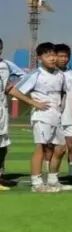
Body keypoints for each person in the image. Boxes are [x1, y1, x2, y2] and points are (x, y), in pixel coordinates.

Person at [12, 42, 72, 193]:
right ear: (40, 58)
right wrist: (33, 103)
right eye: (47, 55)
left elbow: (63, 93)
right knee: (41, 147)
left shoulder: (60, 75)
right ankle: (37, 183)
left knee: (61, 148)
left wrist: (61, 107)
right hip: (41, 116)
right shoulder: (35, 74)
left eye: (53, 55)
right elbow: (14, 91)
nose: (52, 58)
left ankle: (53, 181)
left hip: (56, 116)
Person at [51, 43, 72, 182]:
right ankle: (51, 175)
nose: (64, 59)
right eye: (61, 56)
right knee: (52, 148)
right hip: (53, 116)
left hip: (69, 116)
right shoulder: (50, 73)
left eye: (66, 56)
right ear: (55, 56)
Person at [0, 37, 28, 188]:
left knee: (3, 145)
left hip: (1, 111)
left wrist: (11, 85)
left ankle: (0, 176)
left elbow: (24, 76)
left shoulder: (6, 65)